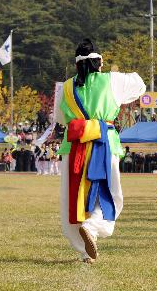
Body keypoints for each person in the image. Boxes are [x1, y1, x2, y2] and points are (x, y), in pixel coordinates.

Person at [55, 39, 145, 263]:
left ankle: (85, 250)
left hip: (74, 145)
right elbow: (139, 84)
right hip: (104, 142)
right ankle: (93, 227)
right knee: (109, 194)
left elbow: (59, 118)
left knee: (75, 196)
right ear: (99, 62)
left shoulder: (66, 87)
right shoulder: (113, 80)